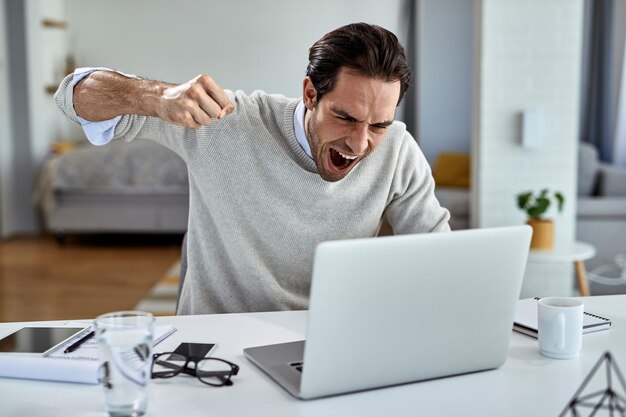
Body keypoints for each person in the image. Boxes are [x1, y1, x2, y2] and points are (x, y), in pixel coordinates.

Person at [55, 22, 450, 315]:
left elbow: (441, 259)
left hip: (328, 341)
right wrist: (158, 97)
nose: (360, 143)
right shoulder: (223, 121)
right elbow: (71, 95)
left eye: (379, 124)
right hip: (215, 346)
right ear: (310, 93)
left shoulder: (397, 150)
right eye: (345, 117)